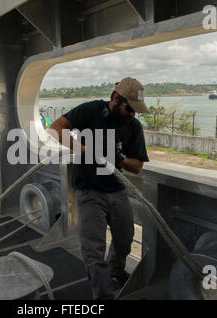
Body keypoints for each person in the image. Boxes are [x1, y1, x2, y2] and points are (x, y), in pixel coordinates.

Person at [49, 77, 150, 300]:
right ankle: (103, 297)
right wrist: (85, 149)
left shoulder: (133, 126)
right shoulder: (91, 110)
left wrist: (118, 159)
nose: (132, 114)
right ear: (116, 98)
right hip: (89, 191)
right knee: (93, 250)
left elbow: (138, 166)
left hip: (116, 190)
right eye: (129, 109)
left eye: (136, 111)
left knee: (125, 239)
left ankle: (115, 270)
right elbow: (55, 129)